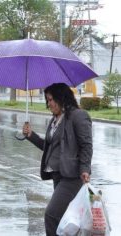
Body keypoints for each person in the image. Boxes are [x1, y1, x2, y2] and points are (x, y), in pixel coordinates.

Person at [22, 83, 92, 236]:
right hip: (57, 176)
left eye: (51, 99)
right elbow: (49, 148)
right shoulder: (55, 120)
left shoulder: (78, 116)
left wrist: (85, 169)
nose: (49, 104)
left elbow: (86, 145)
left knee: (51, 215)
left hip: (72, 177)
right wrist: (30, 136)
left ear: (61, 98)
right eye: (47, 100)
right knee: (65, 220)